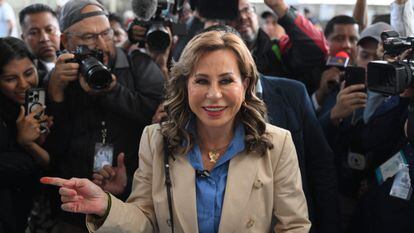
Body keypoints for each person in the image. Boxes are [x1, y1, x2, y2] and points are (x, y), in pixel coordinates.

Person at [42, 29, 310, 233]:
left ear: (246, 84)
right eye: (201, 81)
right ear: (185, 86)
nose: (214, 95)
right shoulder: (155, 139)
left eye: (226, 80)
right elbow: (145, 219)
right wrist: (106, 206)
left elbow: (293, 226)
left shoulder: (277, 143)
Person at [44, 0, 165, 232]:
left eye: (106, 34)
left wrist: (113, 91)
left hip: (131, 202)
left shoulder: (138, 66)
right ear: (65, 41)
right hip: (72, 209)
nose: (101, 45)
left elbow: (157, 119)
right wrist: (56, 94)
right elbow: (52, 150)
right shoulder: (58, 78)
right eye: (88, 37)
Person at [0, 37, 52, 233]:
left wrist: (35, 142)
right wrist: (24, 144)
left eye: (29, 73)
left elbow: (51, 163)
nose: (23, 84)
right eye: (10, 79)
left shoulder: (46, 94)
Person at [228, 0, 328, 93]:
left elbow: (317, 50)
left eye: (247, 10)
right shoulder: (217, 56)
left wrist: (280, 7)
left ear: (256, 15)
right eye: (234, 13)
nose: (243, 16)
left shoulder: (278, 49)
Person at [19, 4, 61, 80]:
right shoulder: (24, 76)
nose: (44, 38)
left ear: (59, 30)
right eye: (34, 32)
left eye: (49, 30)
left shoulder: (74, 58)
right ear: (23, 38)